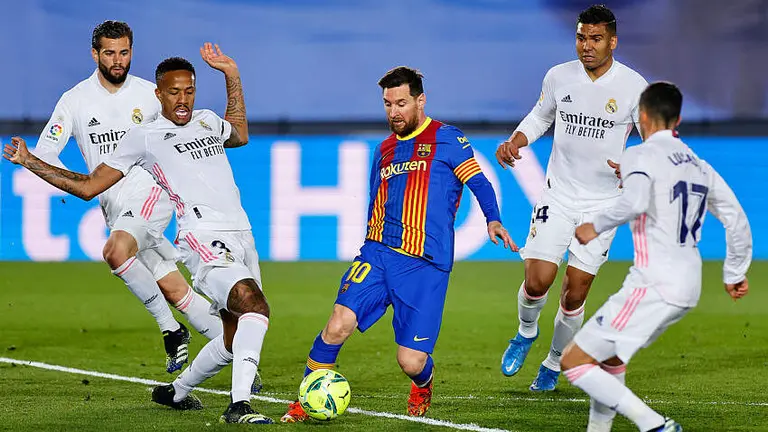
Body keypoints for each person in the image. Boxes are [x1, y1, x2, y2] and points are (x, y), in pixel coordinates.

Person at [4, 45, 272, 424]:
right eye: (174, 92)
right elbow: (89, 186)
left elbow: (240, 133)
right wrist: (31, 162)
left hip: (242, 234)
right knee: (254, 306)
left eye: (189, 91)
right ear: (158, 94)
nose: (183, 99)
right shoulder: (145, 138)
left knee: (232, 334)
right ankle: (239, 404)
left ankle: (176, 392)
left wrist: (232, 74)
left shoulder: (208, 121)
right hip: (201, 236)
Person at [280, 66, 516, 423]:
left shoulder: (447, 138)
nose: (394, 112)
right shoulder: (385, 149)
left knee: (411, 361)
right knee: (337, 324)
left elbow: (479, 183)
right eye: (388, 104)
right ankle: (306, 399)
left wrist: (492, 218)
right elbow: (377, 198)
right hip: (378, 254)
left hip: (425, 264)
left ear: (420, 100)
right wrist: (368, 242)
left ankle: (423, 381)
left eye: (401, 103)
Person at [30, 20, 223, 374]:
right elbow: (45, 154)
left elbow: (184, 136)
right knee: (173, 288)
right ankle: (237, 352)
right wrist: (73, 182)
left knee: (115, 252)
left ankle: (171, 332)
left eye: (124, 52)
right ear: (95, 54)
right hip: (116, 206)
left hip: (150, 191)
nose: (118, 60)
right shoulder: (74, 101)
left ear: (131, 51)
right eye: (109, 53)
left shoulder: (151, 94)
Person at [561, 82, 752, 432]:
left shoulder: (639, 155)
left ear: (643, 115)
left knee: (574, 361)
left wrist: (594, 225)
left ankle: (655, 425)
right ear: (677, 118)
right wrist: (734, 273)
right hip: (689, 285)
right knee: (611, 358)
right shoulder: (698, 164)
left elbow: (634, 202)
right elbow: (736, 218)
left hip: (654, 282)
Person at [496, 4, 648, 391]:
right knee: (537, 281)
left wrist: (633, 165)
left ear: (612, 41)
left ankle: (552, 363)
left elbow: (652, 142)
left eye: (596, 39)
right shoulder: (559, 76)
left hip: (602, 205)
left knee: (575, 289)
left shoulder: (634, 87)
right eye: (581, 37)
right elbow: (540, 116)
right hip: (558, 195)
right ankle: (525, 332)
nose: (587, 46)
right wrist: (517, 139)